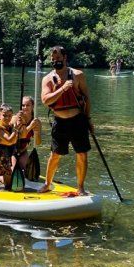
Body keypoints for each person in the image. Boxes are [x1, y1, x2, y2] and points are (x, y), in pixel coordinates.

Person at [39, 45, 91, 196]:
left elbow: (87, 98)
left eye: (59, 59)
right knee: (55, 154)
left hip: (78, 120)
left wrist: (89, 120)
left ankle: (80, 187)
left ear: (65, 58)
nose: (56, 62)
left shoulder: (78, 75)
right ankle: (47, 184)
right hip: (60, 121)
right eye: (53, 59)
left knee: (82, 153)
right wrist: (62, 89)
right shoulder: (48, 79)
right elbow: (45, 100)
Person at [13, 95, 41, 172]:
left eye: (28, 105)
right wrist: (31, 126)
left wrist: (37, 132)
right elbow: (22, 136)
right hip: (11, 151)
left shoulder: (36, 121)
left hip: (23, 151)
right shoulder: (17, 118)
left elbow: (38, 143)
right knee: (13, 173)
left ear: (32, 106)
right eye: (23, 105)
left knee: (28, 172)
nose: (25, 107)